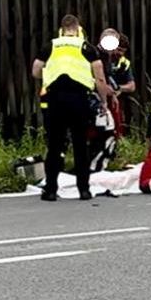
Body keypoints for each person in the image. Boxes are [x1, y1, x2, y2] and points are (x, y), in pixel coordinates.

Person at [32, 14, 113, 202]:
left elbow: (35, 71)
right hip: (79, 100)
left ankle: (50, 190)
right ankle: (83, 190)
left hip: (55, 99)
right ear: (78, 28)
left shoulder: (50, 46)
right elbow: (100, 78)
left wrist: (50, 74)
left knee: (54, 145)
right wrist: (103, 101)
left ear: (62, 28)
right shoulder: (86, 47)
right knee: (80, 145)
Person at [98, 29, 136, 138]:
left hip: (115, 97)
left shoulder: (124, 63)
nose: (120, 53)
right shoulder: (102, 57)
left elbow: (132, 86)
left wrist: (118, 89)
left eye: (123, 51)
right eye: (118, 49)